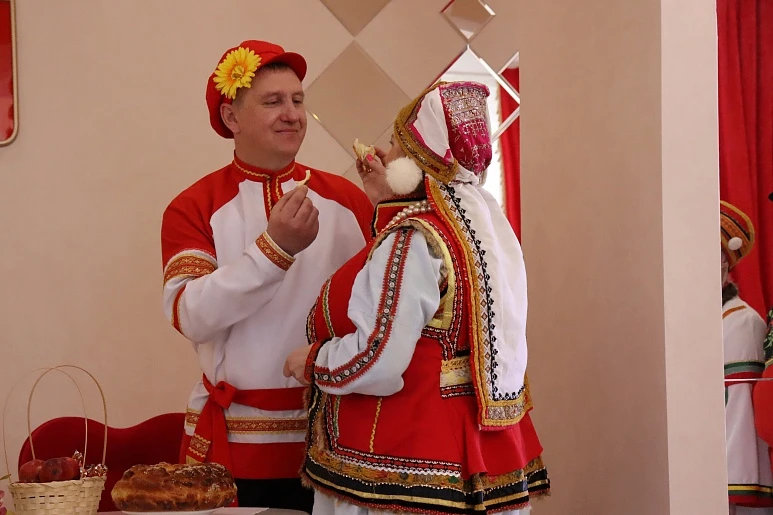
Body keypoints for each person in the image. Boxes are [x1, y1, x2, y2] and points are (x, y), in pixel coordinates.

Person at [284, 81, 549, 515]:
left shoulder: (412, 239)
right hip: (470, 448)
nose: (385, 154)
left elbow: (380, 358)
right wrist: (389, 200)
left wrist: (314, 361)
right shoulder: (483, 229)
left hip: (405, 450)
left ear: (417, 161)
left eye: (395, 144)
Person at [160, 40, 374, 512]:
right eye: (273, 101)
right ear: (231, 117)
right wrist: (274, 250)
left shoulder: (349, 200)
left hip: (336, 440)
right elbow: (190, 315)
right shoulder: (193, 206)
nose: (292, 114)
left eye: (297, 100)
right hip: (235, 447)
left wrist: (391, 207)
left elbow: (384, 309)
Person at [719, 201, 773, 514]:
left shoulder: (741, 322)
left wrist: (731, 482)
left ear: (725, 265)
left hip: (728, 483)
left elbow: (739, 411)